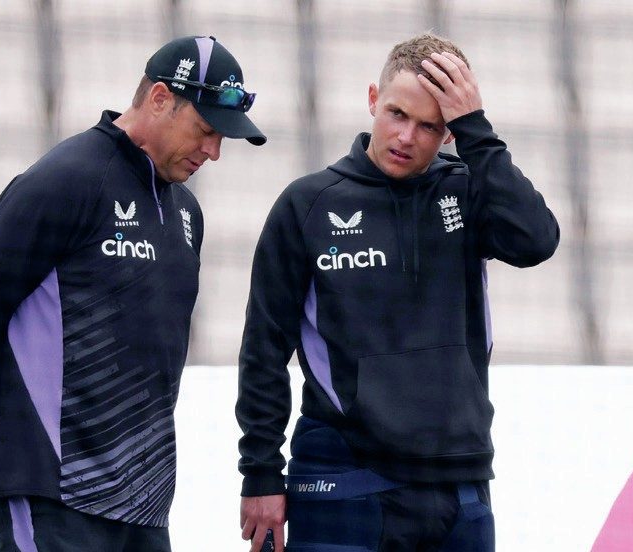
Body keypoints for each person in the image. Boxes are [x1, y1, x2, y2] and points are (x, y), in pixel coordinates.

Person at [0, 35, 265, 552]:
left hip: (143, 500)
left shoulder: (186, 212)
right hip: (51, 487)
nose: (214, 152)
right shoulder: (65, 180)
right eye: (206, 130)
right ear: (159, 98)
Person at [236, 33, 559, 552]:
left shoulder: (468, 192)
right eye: (396, 114)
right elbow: (263, 351)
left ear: (449, 132)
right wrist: (260, 473)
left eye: (429, 126)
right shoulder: (307, 204)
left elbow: (537, 241)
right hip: (342, 472)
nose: (406, 137)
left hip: (459, 480)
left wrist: (477, 130)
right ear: (373, 99)